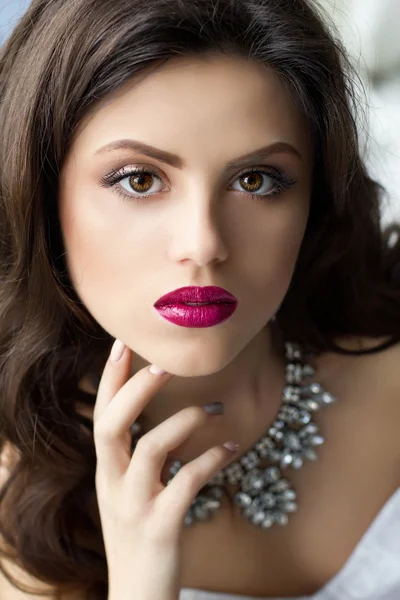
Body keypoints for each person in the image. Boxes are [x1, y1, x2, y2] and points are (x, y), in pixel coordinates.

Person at [0, 0, 399, 598]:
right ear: (41, 197)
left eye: (255, 179)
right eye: (140, 179)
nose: (204, 245)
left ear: (313, 195)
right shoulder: (21, 503)